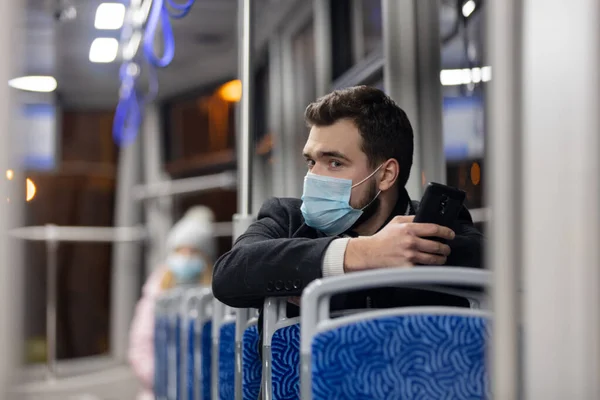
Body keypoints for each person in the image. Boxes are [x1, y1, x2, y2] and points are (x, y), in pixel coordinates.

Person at [212, 86, 483, 341]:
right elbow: (230, 274)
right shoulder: (287, 219)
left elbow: (486, 262)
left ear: (386, 174)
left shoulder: (433, 229)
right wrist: (362, 253)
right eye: (311, 161)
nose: (313, 176)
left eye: (334, 162)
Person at [128, 206, 216, 400]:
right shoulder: (156, 290)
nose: (186, 257)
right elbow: (140, 345)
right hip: (159, 390)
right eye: (181, 250)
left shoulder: (214, 294)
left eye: (193, 251)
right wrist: (165, 380)